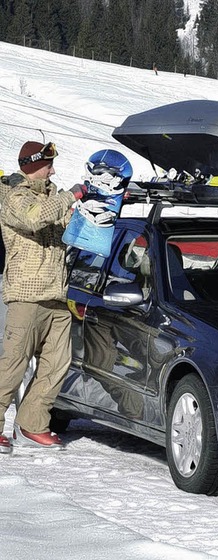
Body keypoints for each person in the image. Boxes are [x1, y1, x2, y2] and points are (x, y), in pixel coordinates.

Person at [0, 141, 86, 454]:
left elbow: (68, 226)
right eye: (48, 163)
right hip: (26, 295)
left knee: (58, 364)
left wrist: (95, 209)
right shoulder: (14, 196)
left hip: (56, 294)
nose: (53, 169)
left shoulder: (53, 195)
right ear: (33, 164)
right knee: (13, 364)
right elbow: (35, 218)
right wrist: (70, 196)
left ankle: (31, 424)